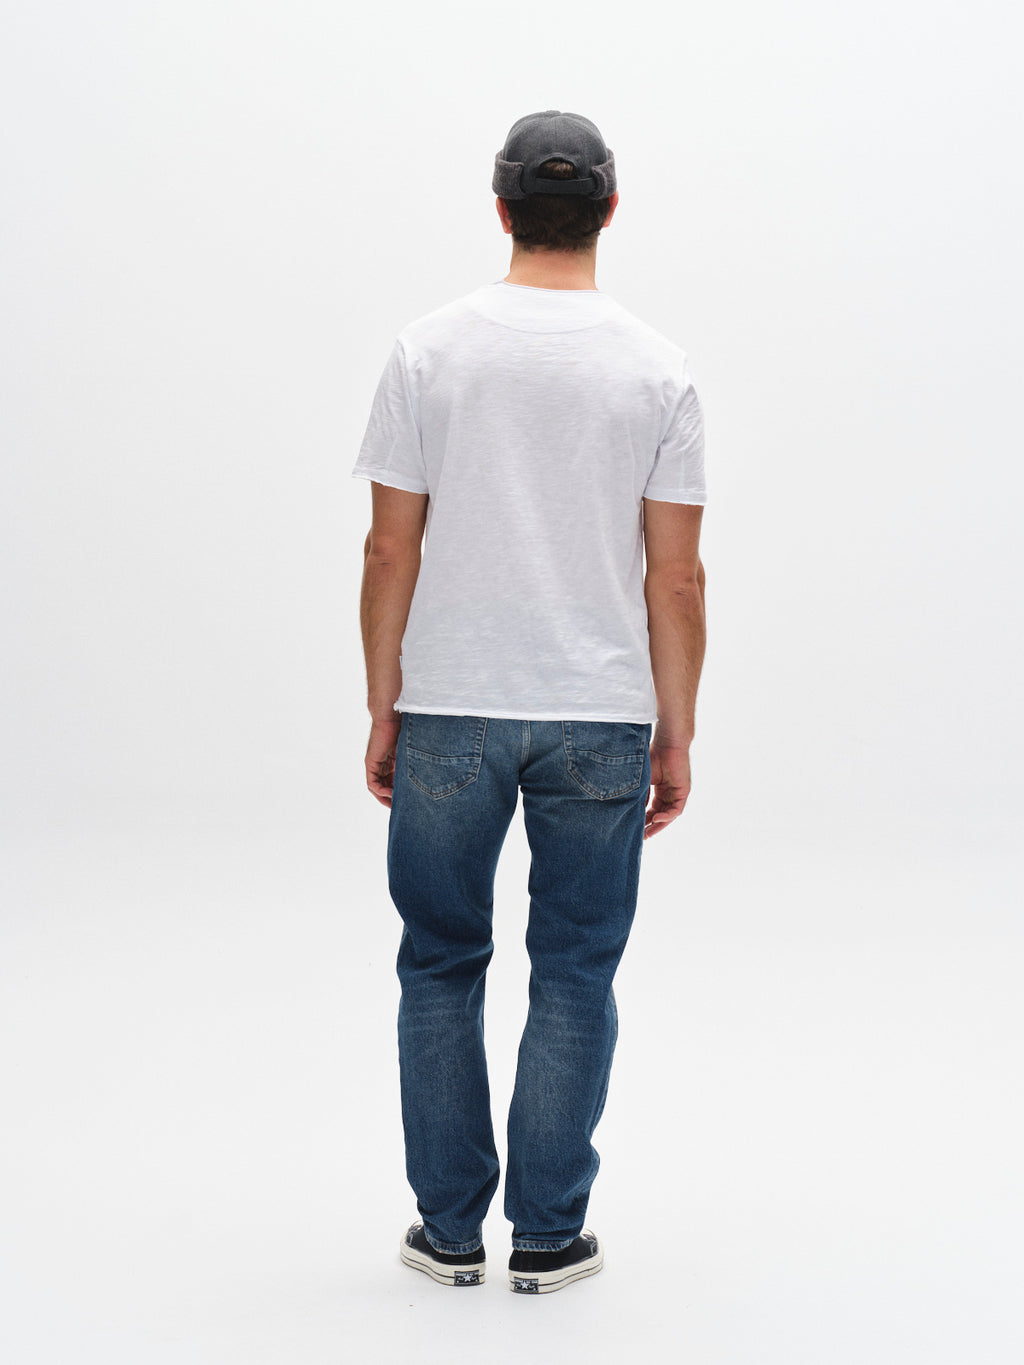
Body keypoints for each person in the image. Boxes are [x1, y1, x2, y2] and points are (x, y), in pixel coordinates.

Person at [352, 110, 707, 1294]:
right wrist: (675, 728)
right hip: (599, 714)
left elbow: (389, 549)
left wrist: (384, 702)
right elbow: (675, 577)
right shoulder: (657, 369)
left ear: (501, 208)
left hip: (450, 705)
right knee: (574, 969)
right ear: (609, 209)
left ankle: (448, 1234)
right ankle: (548, 1238)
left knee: (439, 962)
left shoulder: (428, 353)